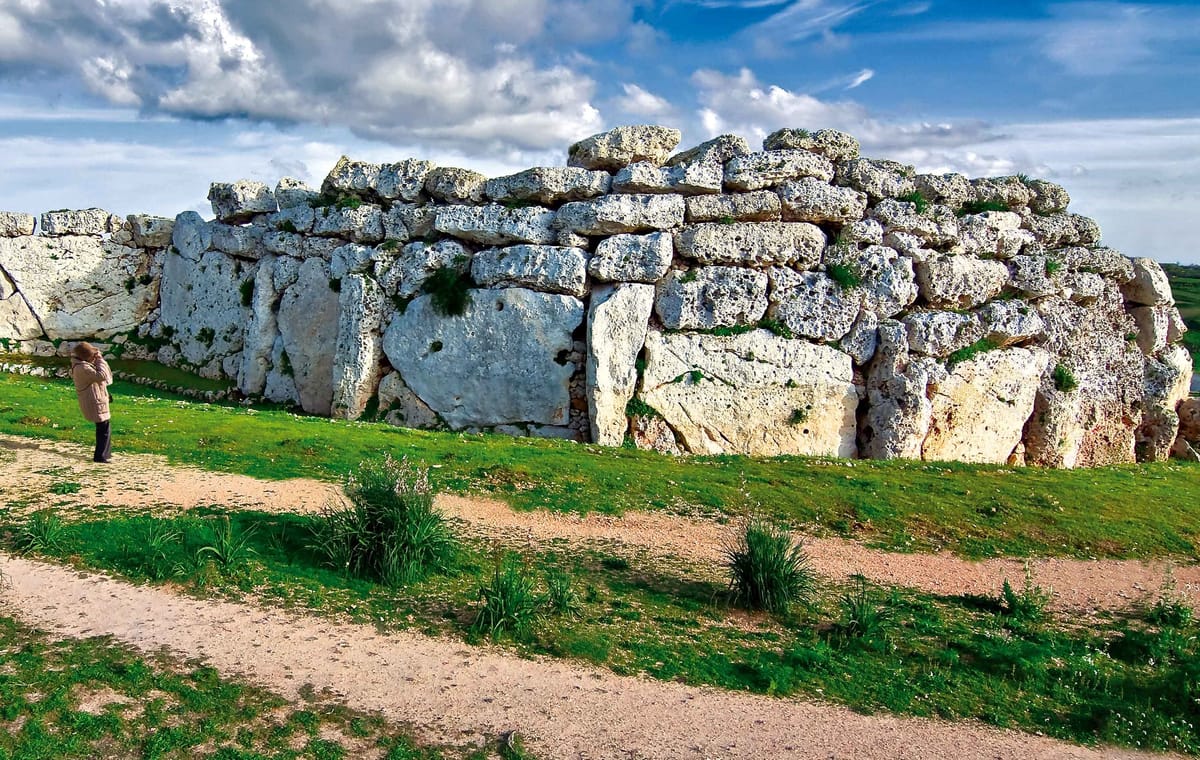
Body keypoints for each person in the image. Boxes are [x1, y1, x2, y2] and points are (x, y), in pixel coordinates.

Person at [70, 341, 113, 463]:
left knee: (104, 428)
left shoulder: (80, 365)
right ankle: (100, 456)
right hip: (94, 402)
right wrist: (100, 359)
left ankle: (104, 454)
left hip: (95, 400)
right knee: (103, 429)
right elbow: (102, 375)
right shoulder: (83, 368)